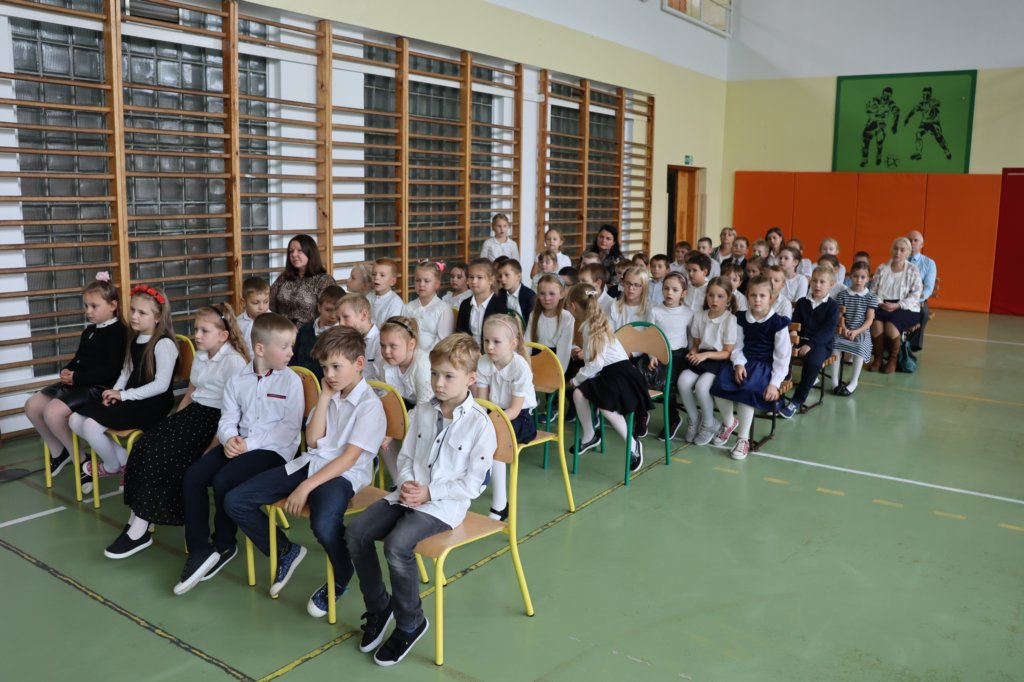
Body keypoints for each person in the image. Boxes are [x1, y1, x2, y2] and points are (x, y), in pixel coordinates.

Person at [345, 333, 496, 667]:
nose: (438, 383)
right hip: (408, 493)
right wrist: (407, 483)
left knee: (397, 545)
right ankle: (379, 606)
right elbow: (406, 456)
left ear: (471, 378)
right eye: (434, 374)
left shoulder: (480, 425)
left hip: (444, 505)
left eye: (448, 376)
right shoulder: (423, 412)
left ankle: (410, 623)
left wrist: (429, 492)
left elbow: (473, 485)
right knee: (356, 533)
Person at [225, 326, 387, 618]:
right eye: (325, 368)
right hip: (311, 463)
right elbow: (312, 441)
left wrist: (305, 487)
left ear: (359, 363)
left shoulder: (369, 406)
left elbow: (348, 459)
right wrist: (324, 397)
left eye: (336, 367)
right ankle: (285, 550)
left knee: (323, 525)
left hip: (342, 476)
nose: (330, 374)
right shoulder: (331, 392)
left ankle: (341, 574)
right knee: (236, 501)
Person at [105, 302, 248, 559]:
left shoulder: (234, 362)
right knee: (144, 444)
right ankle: (140, 518)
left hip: (215, 421)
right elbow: (192, 393)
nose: (197, 335)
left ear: (223, 335)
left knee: (162, 455)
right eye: (196, 329)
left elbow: (234, 413)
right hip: (194, 415)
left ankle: (140, 528)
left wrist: (212, 447)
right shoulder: (202, 355)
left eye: (204, 331)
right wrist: (174, 421)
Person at [175, 313, 303, 595]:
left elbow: (288, 430)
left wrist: (248, 444)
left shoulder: (291, 381)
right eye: (284, 347)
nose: (291, 353)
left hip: (272, 451)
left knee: (225, 479)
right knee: (194, 476)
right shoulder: (237, 379)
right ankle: (200, 549)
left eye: (291, 346)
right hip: (238, 443)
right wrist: (229, 438)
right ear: (260, 349)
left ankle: (224, 544)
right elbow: (228, 417)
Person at [70, 285, 178, 494]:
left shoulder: (164, 344)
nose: (134, 316)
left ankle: (112, 466)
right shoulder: (134, 338)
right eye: (133, 310)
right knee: (75, 419)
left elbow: (161, 386)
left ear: (157, 318)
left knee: (91, 427)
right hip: (131, 398)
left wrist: (124, 395)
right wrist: (115, 392)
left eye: (142, 313)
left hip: (152, 404)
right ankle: (126, 463)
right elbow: (126, 372)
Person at [27, 272, 127, 477]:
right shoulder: (89, 331)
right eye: (86, 306)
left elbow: (111, 371)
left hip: (97, 388)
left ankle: (80, 460)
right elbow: (79, 359)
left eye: (94, 306)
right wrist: (67, 369)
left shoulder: (119, 332)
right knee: (32, 405)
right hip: (79, 383)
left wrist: (76, 377)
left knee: (52, 413)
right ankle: (59, 452)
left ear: (113, 305)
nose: (88, 311)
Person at [567, 283, 652, 472]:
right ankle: (590, 435)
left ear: (573, 306)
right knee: (578, 394)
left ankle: (633, 445)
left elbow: (595, 363)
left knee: (606, 407)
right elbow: (599, 357)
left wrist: (576, 380)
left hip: (621, 375)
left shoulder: (591, 326)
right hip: (609, 372)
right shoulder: (594, 321)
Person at [710, 276, 792, 461]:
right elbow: (737, 345)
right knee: (719, 384)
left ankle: (743, 439)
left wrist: (774, 384)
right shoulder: (740, 318)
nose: (757, 300)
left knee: (748, 391)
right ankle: (729, 422)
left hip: (765, 366)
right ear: (747, 296)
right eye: (753, 295)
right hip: (743, 361)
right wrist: (739, 363)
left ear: (771, 298)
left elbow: (782, 357)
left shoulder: (778, 323)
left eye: (762, 296)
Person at [475, 315, 536, 520]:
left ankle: (500, 505)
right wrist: (479, 421)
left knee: (496, 440)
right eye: (486, 341)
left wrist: (488, 424)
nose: (489, 347)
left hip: (520, 418)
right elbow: (482, 403)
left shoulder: (520, 368)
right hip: (495, 413)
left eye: (496, 342)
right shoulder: (484, 362)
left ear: (513, 343)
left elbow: (515, 410)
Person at [776, 266, 840, 418]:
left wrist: (810, 344)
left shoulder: (832, 306)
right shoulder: (802, 302)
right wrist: (793, 337)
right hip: (799, 340)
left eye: (822, 282)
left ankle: (796, 401)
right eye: (814, 281)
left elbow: (827, 331)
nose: (817, 285)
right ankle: (778, 397)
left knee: (812, 362)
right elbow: (795, 323)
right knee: (780, 355)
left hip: (820, 345)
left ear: (831, 284)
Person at [680, 277, 737, 445]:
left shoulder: (730, 319)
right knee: (683, 381)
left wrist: (704, 356)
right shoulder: (700, 315)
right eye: (711, 295)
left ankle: (709, 423)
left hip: (719, 359)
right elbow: (696, 344)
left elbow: (727, 353)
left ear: (728, 298)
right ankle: (694, 419)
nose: (714, 300)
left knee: (702, 387)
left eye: (720, 296)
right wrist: (693, 352)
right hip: (702, 356)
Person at [377, 316, 433, 480]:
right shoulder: (385, 364)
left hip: (433, 408)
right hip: (408, 406)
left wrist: (394, 429)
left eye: (393, 346)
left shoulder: (422, 366)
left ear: (411, 345)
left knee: (417, 431)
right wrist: (388, 426)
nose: (386, 351)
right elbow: (387, 399)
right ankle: (399, 479)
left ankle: (419, 479)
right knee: (379, 428)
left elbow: (424, 407)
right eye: (382, 345)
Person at [868, 237, 923, 373]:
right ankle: (878, 358)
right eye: (895, 249)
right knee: (876, 323)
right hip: (883, 304)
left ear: (908, 252)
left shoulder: (913, 269)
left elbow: (916, 294)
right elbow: (873, 291)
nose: (898, 252)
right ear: (891, 250)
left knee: (891, 324)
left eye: (902, 250)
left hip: (905, 307)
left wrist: (898, 305)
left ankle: (893, 359)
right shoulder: (882, 268)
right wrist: (880, 303)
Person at [649, 272, 692, 440]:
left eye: (675, 290)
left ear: (684, 293)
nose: (669, 293)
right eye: (666, 288)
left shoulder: (688, 313)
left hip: (677, 356)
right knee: (640, 377)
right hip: (657, 353)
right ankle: (641, 416)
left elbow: (691, 339)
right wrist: (651, 354)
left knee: (667, 384)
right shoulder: (655, 311)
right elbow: (650, 336)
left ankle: (673, 418)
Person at [831, 262, 878, 396]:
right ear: (850, 276)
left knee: (860, 347)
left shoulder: (871, 297)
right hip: (844, 329)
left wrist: (856, 332)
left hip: (861, 331)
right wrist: (844, 328)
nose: (859, 280)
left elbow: (869, 320)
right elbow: (840, 317)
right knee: (835, 345)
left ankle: (853, 382)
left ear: (868, 279)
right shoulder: (842, 295)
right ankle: (834, 382)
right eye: (856, 276)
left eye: (863, 277)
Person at [270, 234, 336, 327]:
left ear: (310, 252)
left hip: (309, 332)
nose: (294, 254)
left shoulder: (324, 280)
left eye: (299, 250)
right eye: (291, 251)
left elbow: (329, 313)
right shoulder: (284, 277)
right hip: (281, 330)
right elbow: (270, 304)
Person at [290, 285, 344, 381]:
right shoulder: (305, 329)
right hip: (302, 382)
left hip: (329, 384)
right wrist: (294, 370)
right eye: (328, 310)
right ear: (319, 307)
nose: (333, 316)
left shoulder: (343, 334)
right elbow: (293, 357)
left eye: (337, 311)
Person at [402, 261, 455, 352]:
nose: (421, 284)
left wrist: (424, 357)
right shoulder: (408, 307)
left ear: (437, 284)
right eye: (418, 280)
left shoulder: (444, 309)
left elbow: (442, 341)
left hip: (433, 356)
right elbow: (402, 334)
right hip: (409, 354)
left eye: (426, 281)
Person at [526, 274, 575, 372]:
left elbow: (564, 351)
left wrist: (557, 373)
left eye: (552, 294)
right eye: (542, 293)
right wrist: (526, 367)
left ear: (561, 294)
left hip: (556, 365)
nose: (546, 298)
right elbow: (527, 343)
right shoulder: (534, 315)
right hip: (535, 362)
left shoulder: (567, 318)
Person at [455, 259, 509, 345]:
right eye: (471, 277)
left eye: (479, 277)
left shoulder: (500, 304)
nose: (474, 281)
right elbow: (460, 333)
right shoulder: (465, 304)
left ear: (491, 280)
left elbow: (501, 337)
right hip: (468, 350)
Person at [337, 293, 381, 380]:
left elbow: (380, 379)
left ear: (364, 315)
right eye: (339, 319)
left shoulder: (380, 342)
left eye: (345, 317)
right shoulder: (346, 340)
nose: (341, 323)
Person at [904, 87, 952, 161]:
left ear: (930, 95)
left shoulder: (933, 101)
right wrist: (907, 118)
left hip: (934, 123)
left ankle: (946, 150)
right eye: (924, 95)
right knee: (918, 134)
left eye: (927, 95)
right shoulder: (921, 104)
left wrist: (935, 104)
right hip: (925, 123)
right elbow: (914, 110)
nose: (925, 96)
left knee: (938, 137)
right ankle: (918, 153)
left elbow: (939, 103)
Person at [907, 230, 936, 351]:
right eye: (909, 240)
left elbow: (928, 288)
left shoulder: (929, 263)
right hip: (899, 296)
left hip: (917, 299)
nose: (912, 243)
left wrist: (917, 300)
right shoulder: (899, 259)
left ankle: (912, 345)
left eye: (915, 240)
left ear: (922, 245)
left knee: (923, 312)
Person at [861, 86, 900, 167]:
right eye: (884, 95)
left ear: (890, 95)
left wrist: (895, 125)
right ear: (882, 93)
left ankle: (878, 157)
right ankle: (864, 159)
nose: (886, 97)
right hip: (872, 123)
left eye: (888, 96)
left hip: (881, 124)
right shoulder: (876, 99)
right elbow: (868, 109)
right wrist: (874, 111)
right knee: (865, 142)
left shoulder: (891, 103)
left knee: (880, 141)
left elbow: (896, 112)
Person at [609, 265, 652, 331]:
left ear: (644, 287)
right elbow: (610, 332)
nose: (631, 288)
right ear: (623, 284)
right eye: (627, 283)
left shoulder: (650, 309)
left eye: (636, 285)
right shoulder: (614, 307)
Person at [237, 276, 270, 354]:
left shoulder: (274, 321)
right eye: (256, 303)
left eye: (266, 302)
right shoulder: (237, 323)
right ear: (243, 303)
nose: (262, 307)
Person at [368, 258, 404, 330]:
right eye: (374, 274)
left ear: (392, 281)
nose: (376, 277)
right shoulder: (368, 297)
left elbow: (391, 329)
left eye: (382, 275)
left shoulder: (395, 303)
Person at [497, 259, 536, 323]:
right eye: (500, 276)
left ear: (518, 276)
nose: (502, 279)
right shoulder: (499, 294)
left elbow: (533, 322)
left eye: (506, 275)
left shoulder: (530, 296)